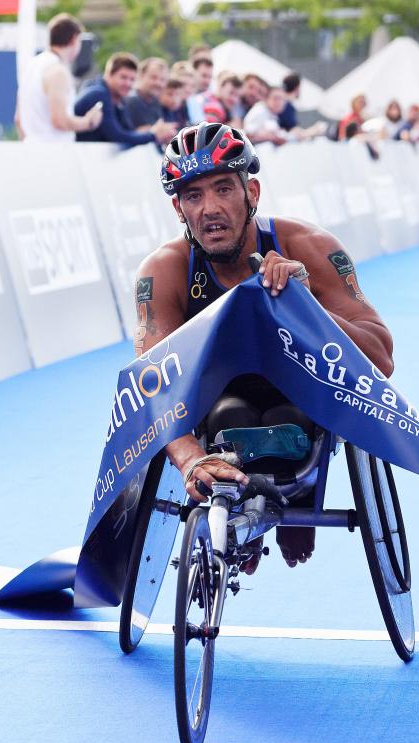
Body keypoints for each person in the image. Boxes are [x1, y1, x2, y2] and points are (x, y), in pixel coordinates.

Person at [135, 122, 394, 569]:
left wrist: (306, 306)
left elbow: (381, 359)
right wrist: (190, 460)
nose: (210, 208)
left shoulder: (312, 246)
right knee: (230, 416)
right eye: (193, 196)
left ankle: (300, 494)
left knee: (285, 419)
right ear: (179, 209)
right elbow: (153, 384)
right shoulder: (163, 271)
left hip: (302, 398)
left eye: (222, 189)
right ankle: (237, 506)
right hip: (218, 406)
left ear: (251, 192)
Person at [15, 13, 101, 142]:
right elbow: (59, 121)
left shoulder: (31, 66)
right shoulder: (57, 71)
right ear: (74, 39)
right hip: (54, 153)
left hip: (31, 149)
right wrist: (88, 122)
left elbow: (18, 119)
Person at [74, 52, 174, 147]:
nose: (128, 84)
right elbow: (117, 136)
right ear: (109, 74)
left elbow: (128, 131)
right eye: (123, 77)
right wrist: (153, 135)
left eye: (132, 79)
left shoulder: (119, 99)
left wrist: (151, 133)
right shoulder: (99, 94)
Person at [122, 56, 166, 130]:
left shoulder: (155, 101)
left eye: (162, 79)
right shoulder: (132, 100)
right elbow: (128, 134)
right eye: (153, 77)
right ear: (140, 76)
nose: (158, 83)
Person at [185, 55, 213, 124]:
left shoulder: (207, 98)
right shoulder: (185, 97)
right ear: (193, 72)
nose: (207, 81)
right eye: (204, 75)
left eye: (210, 77)